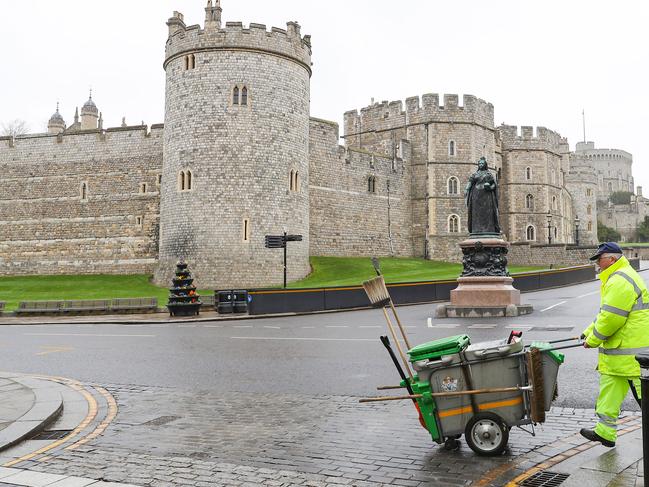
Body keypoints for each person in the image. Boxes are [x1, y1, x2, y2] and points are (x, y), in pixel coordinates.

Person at [580, 242, 649, 447]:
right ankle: (605, 432)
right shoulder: (618, 276)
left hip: (631, 354)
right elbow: (605, 314)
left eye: (599, 260)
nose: (598, 264)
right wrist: (587, 332)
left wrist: (593, 340)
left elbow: (611, 318)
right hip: (620, 353)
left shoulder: (620, 280)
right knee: (609, 391)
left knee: (644, 397)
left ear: (612, 259)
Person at [465, 157, 500, 235]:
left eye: (482, 163)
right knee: (476, 214)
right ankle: (476, 230)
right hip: (476, 196)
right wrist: (466, 190)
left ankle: (489, 230)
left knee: (488, 213)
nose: (481, 165)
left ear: (485, 165)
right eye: (479, 163)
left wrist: (490, 187)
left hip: (487, 196)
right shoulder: (475, 174)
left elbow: (494, 184)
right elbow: (470, 182)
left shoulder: (488, 174)